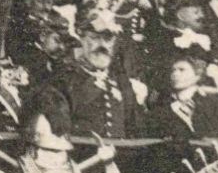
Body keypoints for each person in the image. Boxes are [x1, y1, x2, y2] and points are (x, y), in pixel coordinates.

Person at [20, 8, 144, 140]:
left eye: (108, 39)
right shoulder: (64, 80)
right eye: (95, 37)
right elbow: (58, 134)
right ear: (82, 39)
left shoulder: (121, 82)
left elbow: (135, 130)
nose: (102, 45)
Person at [154, 51, 218, 138]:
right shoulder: (163, 104)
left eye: (182, 70)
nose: (175, 74)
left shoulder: (214, 101)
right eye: (173, 70)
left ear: (198, 74)